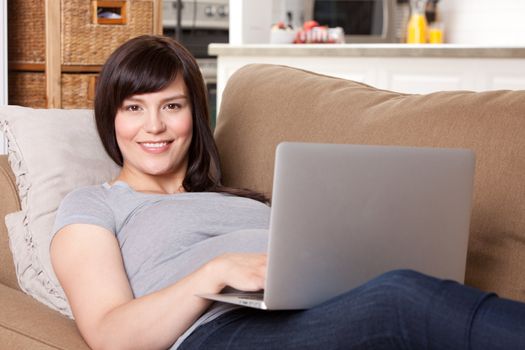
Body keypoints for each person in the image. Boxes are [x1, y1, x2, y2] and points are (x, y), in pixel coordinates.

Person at [50, 35, 525, 350]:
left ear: (194, 114)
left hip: (313, 310)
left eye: (171, 106)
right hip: (220, 334)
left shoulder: (240, 199)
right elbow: (110, 333)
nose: (154, 126)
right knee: (401, 298)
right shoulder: (96, 204)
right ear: (111, 119)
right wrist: (213, 273)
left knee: (405, 287)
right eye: (134, 107)